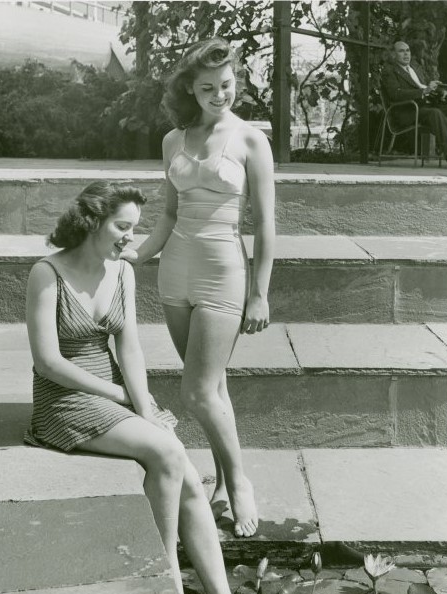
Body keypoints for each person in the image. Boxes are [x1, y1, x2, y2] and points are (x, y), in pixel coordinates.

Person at [24, 181, 233, 594]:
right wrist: (120, 394)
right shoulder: (46, 273)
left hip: (115, 392)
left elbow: (131, 348)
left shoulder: (122, 271)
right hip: (64, 401)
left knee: (190, 478)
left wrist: (143, 406)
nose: (130, 238)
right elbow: (48, 362)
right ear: (92, 221)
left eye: (134, 228)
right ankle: (166, 581)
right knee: (171, 456)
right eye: (122, 226)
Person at [121, 37, 275, 538]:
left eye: (227, 84)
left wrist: (259, 292)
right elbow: (167, 214)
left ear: (237, 82)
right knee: (214, 388)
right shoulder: (174, 140)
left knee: (197, 391)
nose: (219, 94)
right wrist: (137, 255)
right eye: (207, 87)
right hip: (176, 272)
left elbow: (265, 226)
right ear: (190, 87)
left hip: (223, 269)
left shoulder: (251, 140)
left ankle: (239, 482)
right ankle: (226, 484)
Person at [381, 41, 447, 168]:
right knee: (435, 113)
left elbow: (426, 85)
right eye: (401, 51)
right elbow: (395, 94)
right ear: (393, 55)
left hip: (423, 108)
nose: (406, 54)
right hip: (406, 111)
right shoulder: (389, 71)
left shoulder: (414, 68)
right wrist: (424, 91)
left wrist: (443, 92)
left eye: (408, 50)